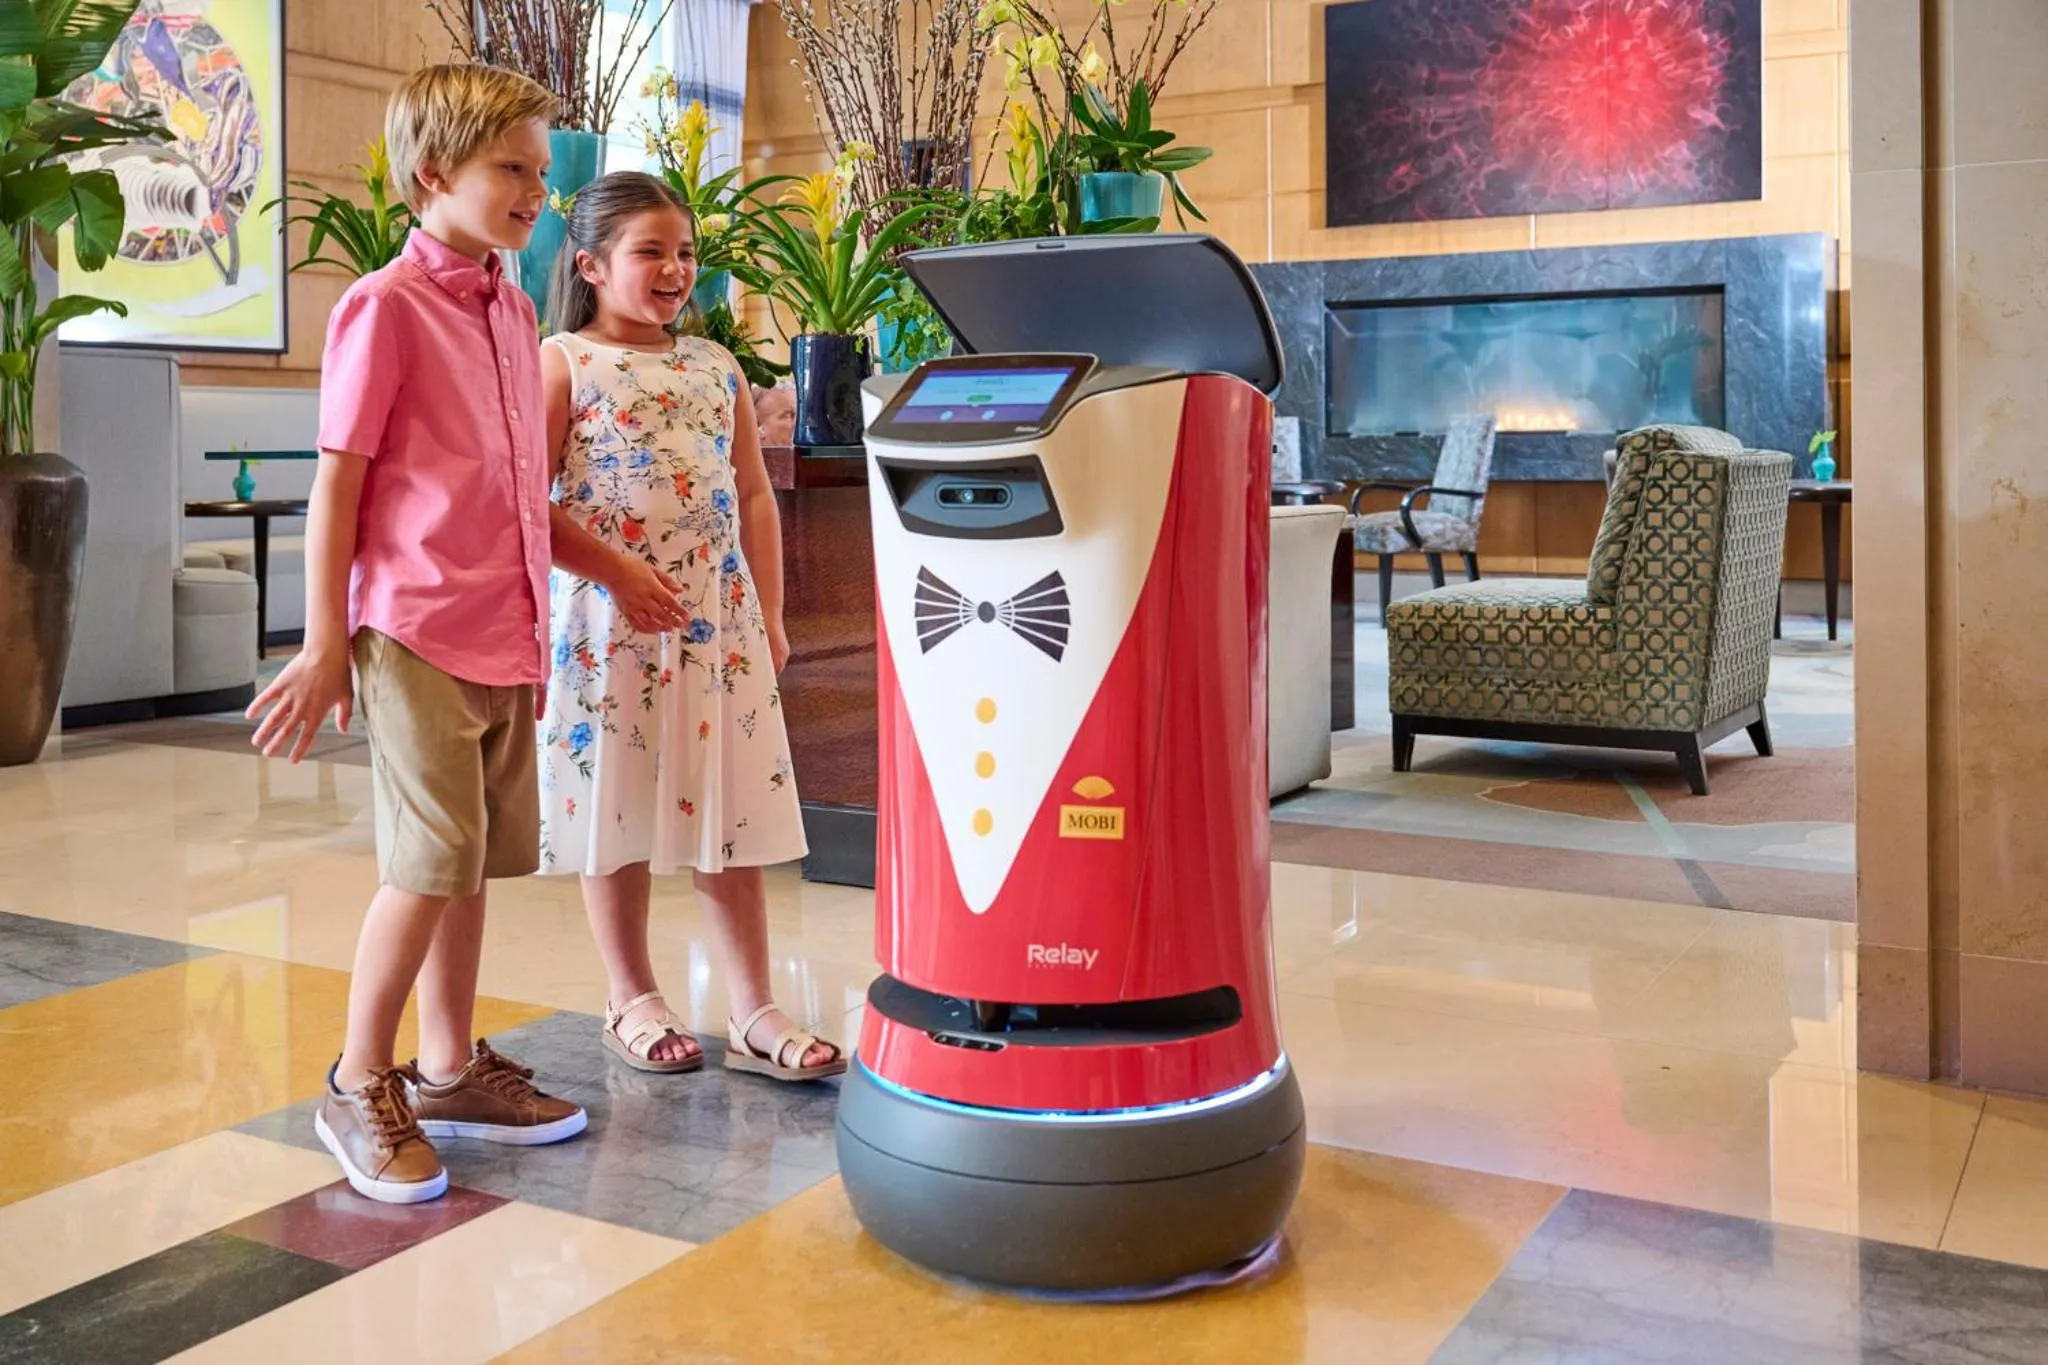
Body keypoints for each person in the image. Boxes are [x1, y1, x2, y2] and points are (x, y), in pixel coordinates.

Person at [248, 64, 587, 1204]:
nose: (536, 191)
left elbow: (517, 482)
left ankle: (445, 1069)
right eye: (512, 170)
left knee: (471, 864)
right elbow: (335, 487)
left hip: (503, 624)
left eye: (543, 172)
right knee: (426, 862)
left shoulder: (512, 303)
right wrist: (323, 641)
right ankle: (357, 1080)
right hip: (415, 625)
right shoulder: (381, 307)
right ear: (434, 173)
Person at [537, 171, 844, 1082]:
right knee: (616, 803)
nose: (675, 270)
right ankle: (630, 994)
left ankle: (752, 1009)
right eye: (649, 252)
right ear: (590, 264)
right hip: (607, 620)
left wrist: (773, 612)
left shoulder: (716, 366)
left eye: (685, 252)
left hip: (717, 621)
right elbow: (524, 503)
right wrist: (618, 574)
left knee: (731, 808)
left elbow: (752, 490)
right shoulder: (564, 361)